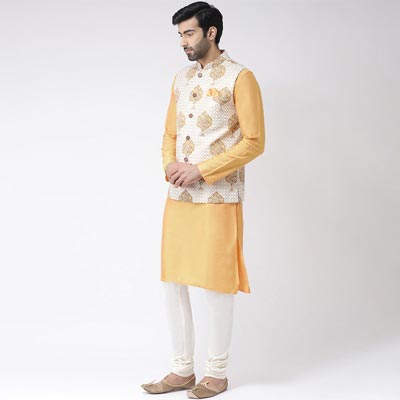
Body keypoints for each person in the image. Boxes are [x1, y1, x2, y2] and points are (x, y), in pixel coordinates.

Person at [141, 2, 265, 398]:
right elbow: (169, 133)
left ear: (211, 32)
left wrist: (202, 170)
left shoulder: (240, 77)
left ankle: (217, 372)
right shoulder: (180, 78)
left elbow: (254, 141)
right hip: (179, 194)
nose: (183, 41)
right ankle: (181, 369)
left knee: (215, 283)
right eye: (180, 35)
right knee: (173, 282)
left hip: (218, 195)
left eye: (189, 33)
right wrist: (170, 164)